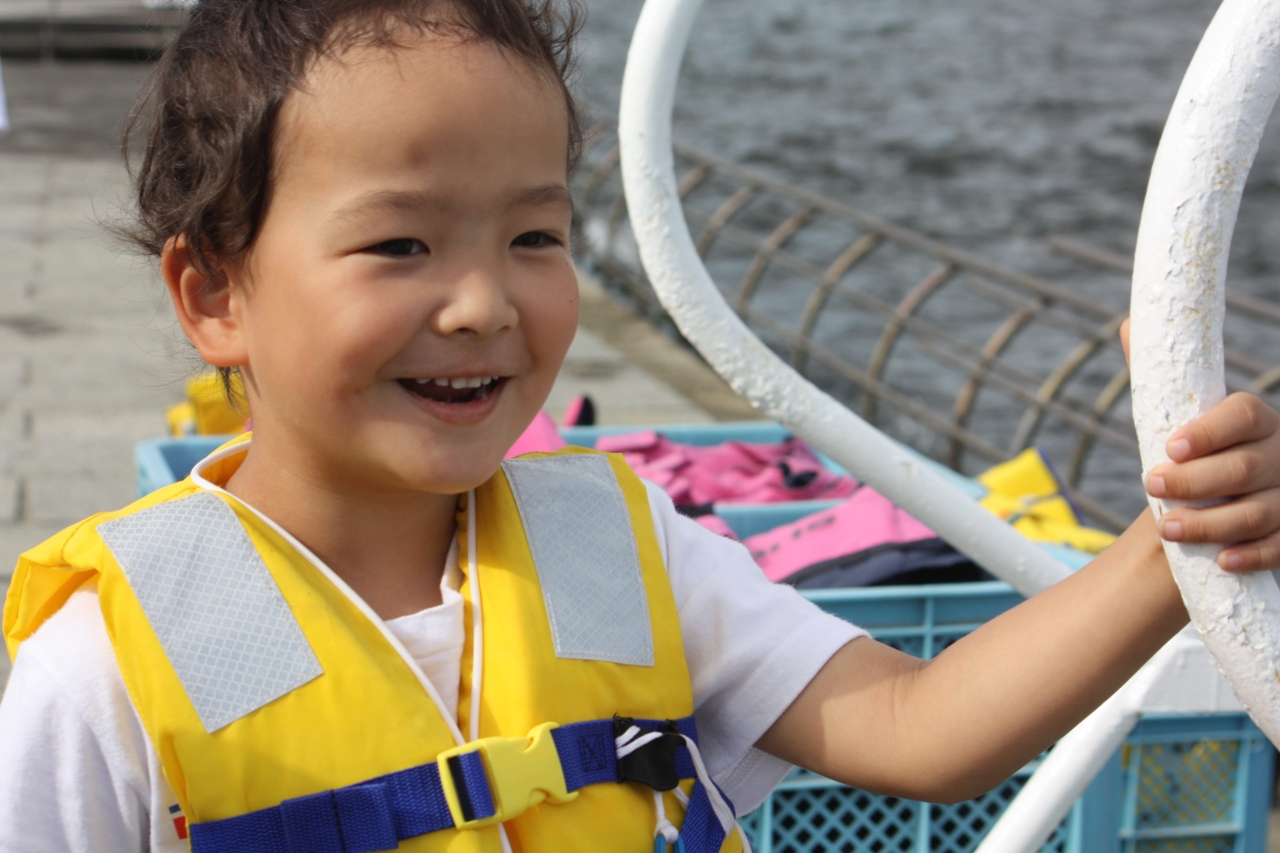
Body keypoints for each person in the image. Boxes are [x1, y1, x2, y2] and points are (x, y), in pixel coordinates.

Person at [2, 1, 1280, 851]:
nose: (484, 303)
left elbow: (918, 726)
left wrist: (1170, 540)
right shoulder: (106, 667)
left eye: (534, 235)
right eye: (399, 244)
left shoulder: (621, 552)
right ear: (213, 295)